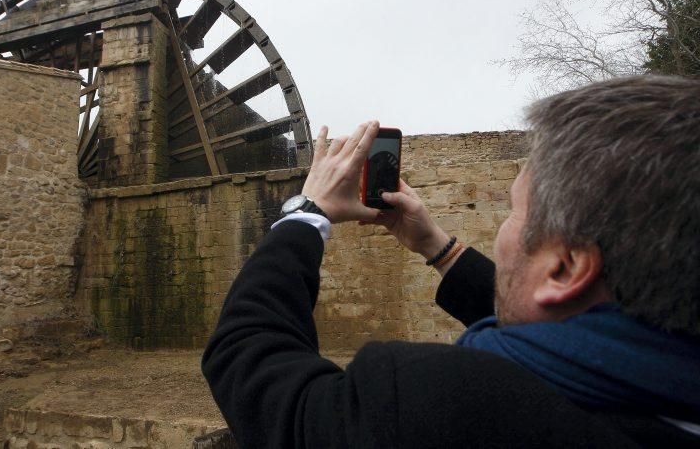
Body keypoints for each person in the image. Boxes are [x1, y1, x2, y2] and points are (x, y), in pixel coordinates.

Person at [202, 76, 700, 448]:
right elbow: (573, 322)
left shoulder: (437, 408)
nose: (504, 231)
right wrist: (439, 247)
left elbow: (250, 361)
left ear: (565, 269)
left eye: (514, 213)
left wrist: (305, 215)